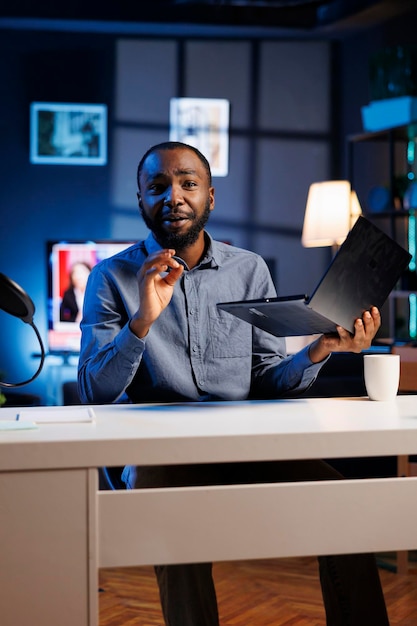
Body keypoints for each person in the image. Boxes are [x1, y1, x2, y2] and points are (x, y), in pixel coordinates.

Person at [78, 141, 389, 626]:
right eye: (157, 187)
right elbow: (93, 390)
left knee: (343, 505)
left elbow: (268, 379)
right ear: (141, 200)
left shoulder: (249, 270)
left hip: (244, 446)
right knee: (172, 524)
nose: (173, 197)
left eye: (188, 183)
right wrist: (141, 320)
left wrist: (320, 349)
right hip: (160, 454)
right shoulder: (110, 278)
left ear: (210, 196)